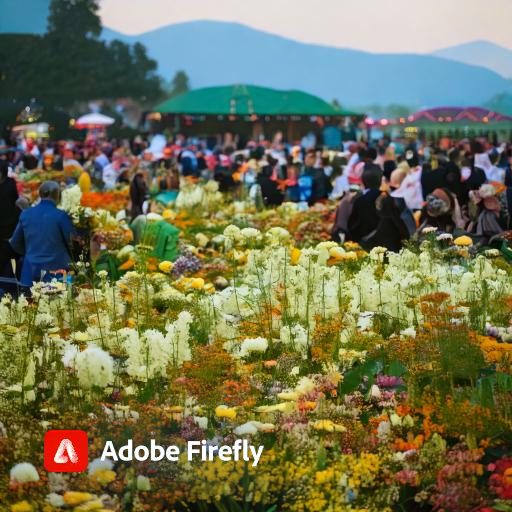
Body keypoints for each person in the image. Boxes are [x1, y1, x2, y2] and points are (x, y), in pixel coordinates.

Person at [10, 181, 75, 286]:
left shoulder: (26, 214)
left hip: (29, 272)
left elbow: (15, 243)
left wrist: (31, 253)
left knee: (28, 301)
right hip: (57, 274)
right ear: (58, 196)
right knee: (60, 301)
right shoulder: (61, 216)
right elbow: (73, 243)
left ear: (40, 194)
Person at [347, 165, 382, 243]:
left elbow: (352, 224)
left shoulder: (360, 200)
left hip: (364, 240)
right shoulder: (386, 197)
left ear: (363, 182)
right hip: (385, 239)